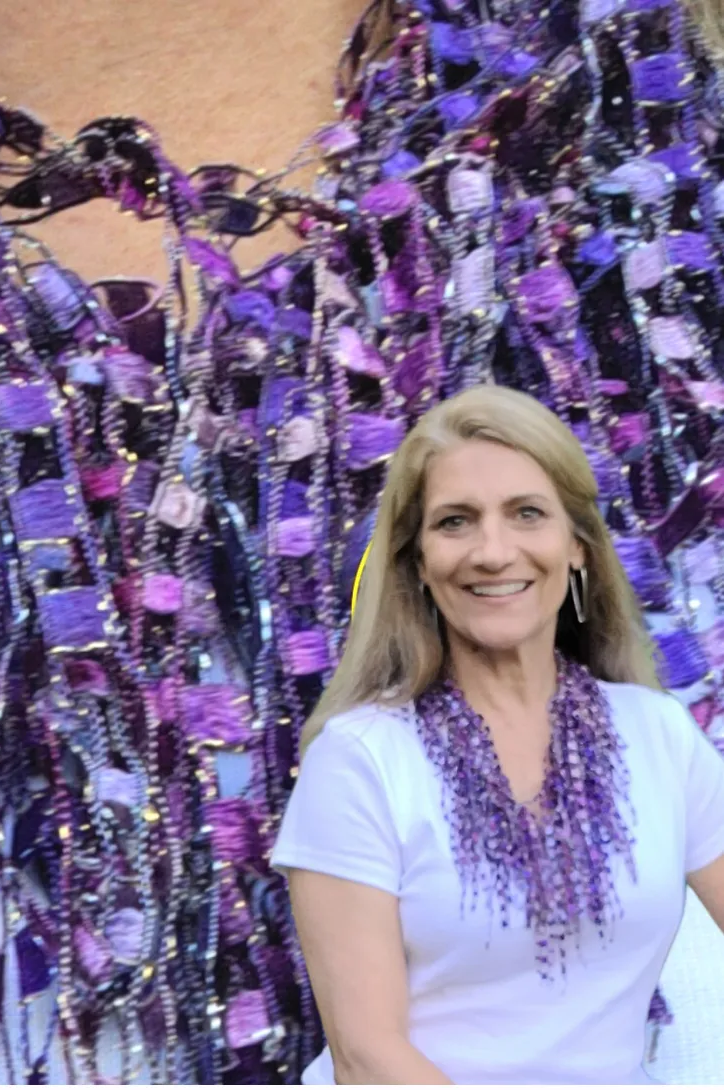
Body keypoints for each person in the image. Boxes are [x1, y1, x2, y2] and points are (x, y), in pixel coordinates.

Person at [271, 385, 724, 1085]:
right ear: (418, 562)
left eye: (527, 514)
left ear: (577, 547)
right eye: (455, 522)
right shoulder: (360, 759)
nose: (492, 551)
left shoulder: (658, 732)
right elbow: (367, 1059)